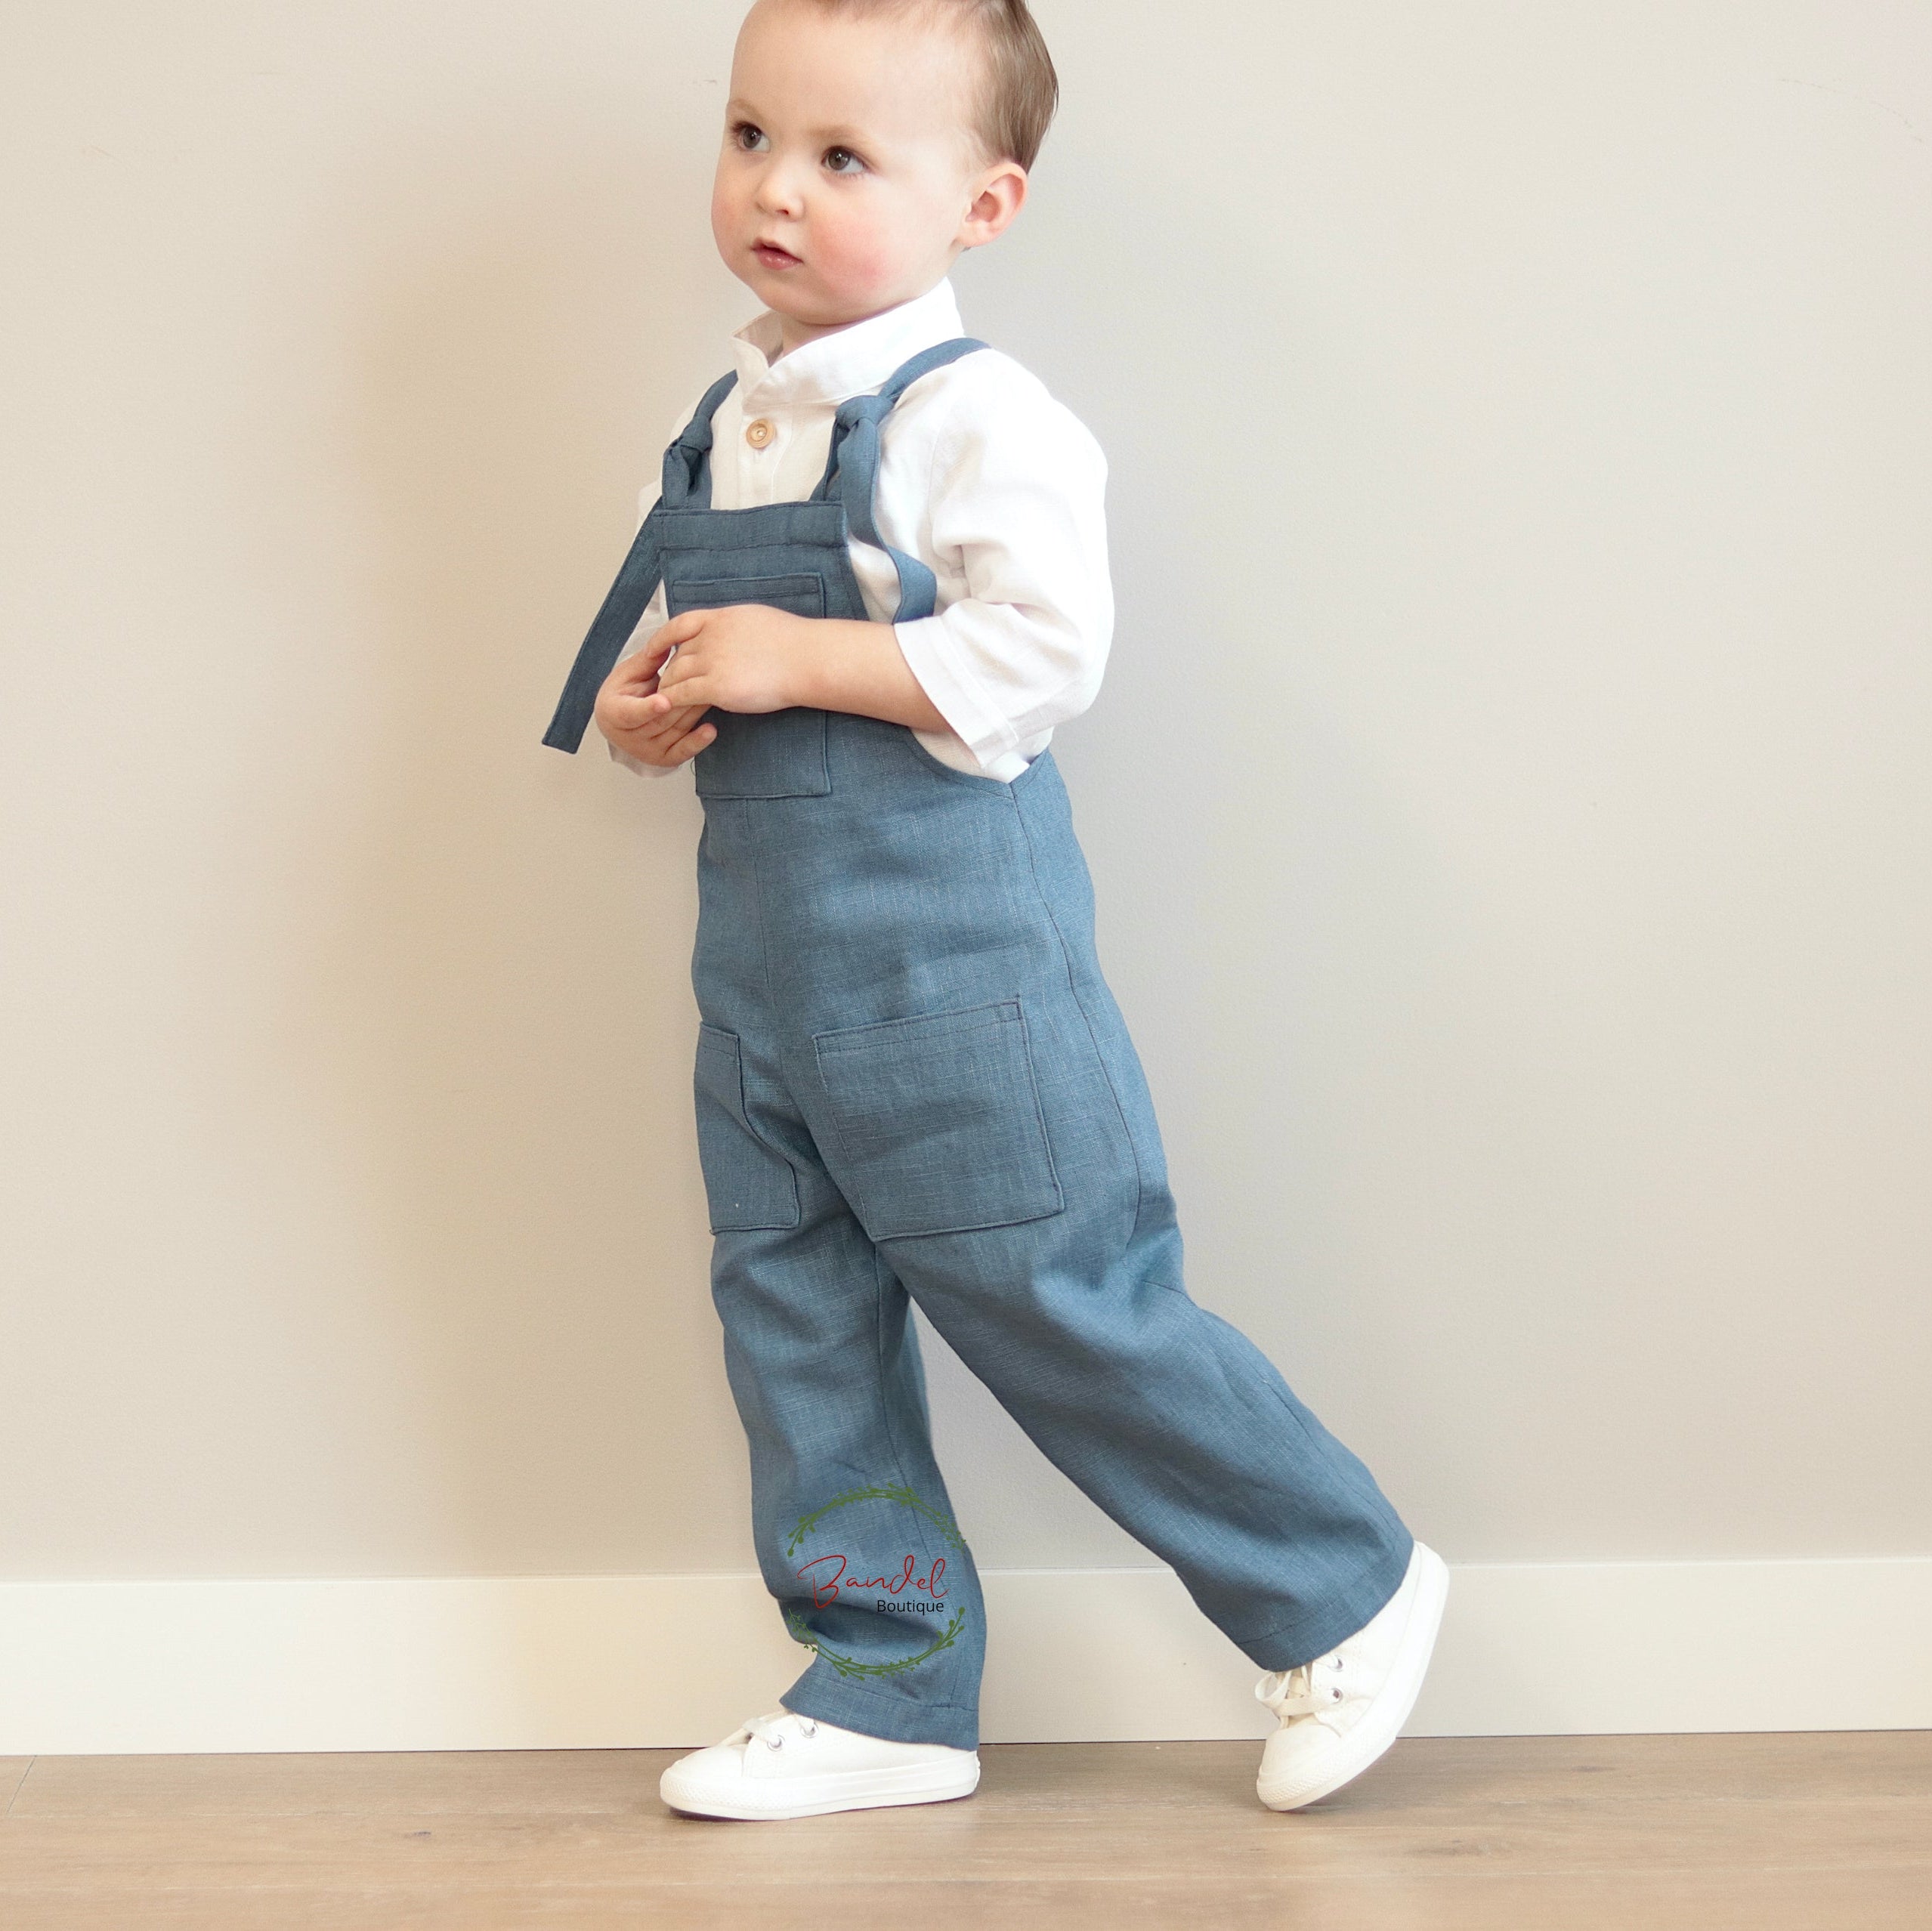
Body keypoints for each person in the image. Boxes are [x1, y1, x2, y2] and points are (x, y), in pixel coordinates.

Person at [542, 0, 1447, 1822]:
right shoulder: (722, 419)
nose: (775, 189)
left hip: (947, 968)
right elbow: (721, 662)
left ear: (986, 203)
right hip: (767, 984)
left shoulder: (976, 416)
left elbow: (1038, 658)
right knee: (792, 1313)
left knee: (1057, 1285)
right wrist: (666, 713)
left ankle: (1340, 1584)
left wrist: (803, 650)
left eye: (843, 157)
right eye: (747, 138)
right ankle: (882, 1682)